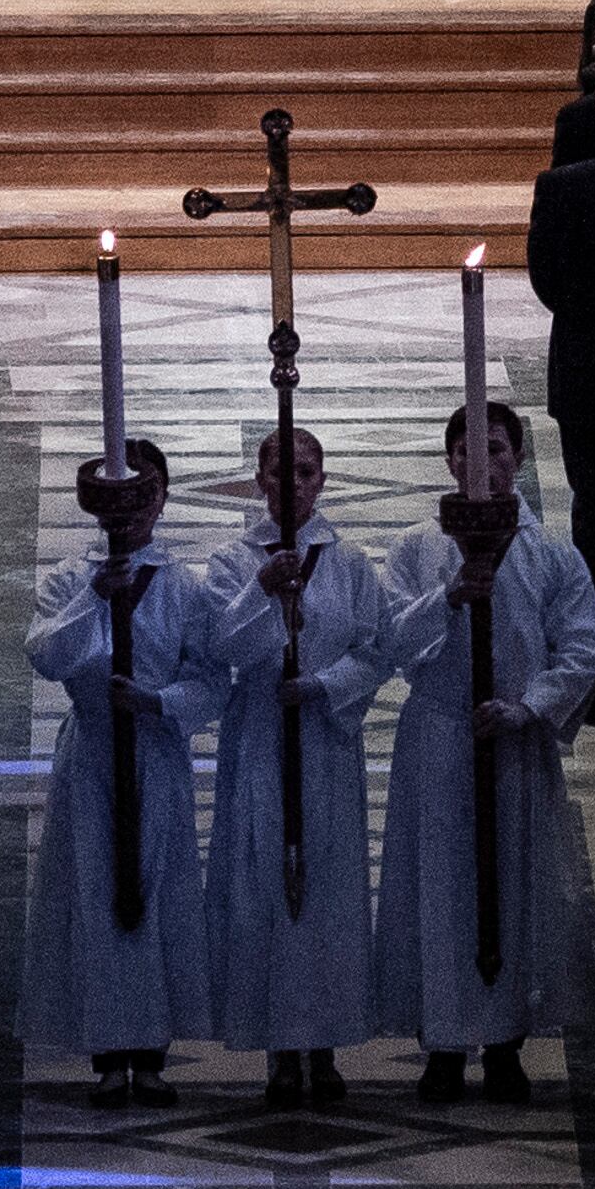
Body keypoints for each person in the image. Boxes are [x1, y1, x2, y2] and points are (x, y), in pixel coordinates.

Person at [376, 402, 595, 1105]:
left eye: (500, 450)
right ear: (449, 462)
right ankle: (442, 1044)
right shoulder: (419, 547)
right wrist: (448, 598)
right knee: (440, 890)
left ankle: (506, 1043)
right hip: (442, 736)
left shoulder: (552, 554)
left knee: (515, 888)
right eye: (471, 451)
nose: (487, 464)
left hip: (513, 742)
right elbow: (391, 640)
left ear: (519, 460)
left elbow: (584, 646)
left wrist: (529, 704)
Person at [195, 428, 389, 1107]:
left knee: (328, 890)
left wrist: (325, 686)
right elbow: (219, 644)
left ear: (323, 480)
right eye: (280, 474)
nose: (292, 486)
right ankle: (279, 1047)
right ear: (258, 479)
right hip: (258, 740)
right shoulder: (229, 561)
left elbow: (376, 650)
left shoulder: (351, 563)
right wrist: (260, 589)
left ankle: (327, 1041)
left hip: (326, 744)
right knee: (263, 886)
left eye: (306, 473)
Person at [24, 440, 217, 1106]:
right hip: (94, 751)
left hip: (156, 749)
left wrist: (160, 702)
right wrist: (93, 602)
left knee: (155, 890)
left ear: (162, 498)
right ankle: (108, 1051)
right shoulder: (69, 576)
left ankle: (153, 1049)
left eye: (151, 491)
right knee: (95, 889)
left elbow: (210, 675)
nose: (135, 510)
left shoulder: (185, 584)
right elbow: (45, 655)